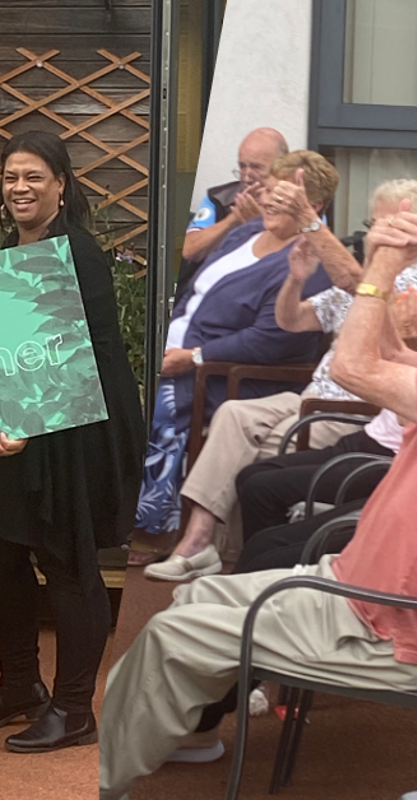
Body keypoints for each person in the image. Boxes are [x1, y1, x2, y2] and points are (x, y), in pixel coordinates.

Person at [98, 207, 417, 800]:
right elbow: (393, 357)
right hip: (354, 587)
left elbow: (354, 367)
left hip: (377, 623)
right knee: (198, 594)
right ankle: (181, 727)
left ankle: (102, 778)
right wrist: (372, 265)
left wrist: (384, 265)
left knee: (175, 633)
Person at [0, 131, 146, 754]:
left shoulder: (79, 254)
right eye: (11, 178)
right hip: (11, 432)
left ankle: (74, 707)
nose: (20, 189)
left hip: (71, 433)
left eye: (34, 177)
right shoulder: (6, 252)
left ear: (62, 186)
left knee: (67, 561)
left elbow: (74, 354)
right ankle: (19, 687)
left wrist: (29, 433)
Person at [144, 179, 417, 580]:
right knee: (234, 417)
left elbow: (370, 357)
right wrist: (296, 278)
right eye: (371, 223)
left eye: (386, 226)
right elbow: (291, 321)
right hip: (314, 394)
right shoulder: (375, 275)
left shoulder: (403, 283)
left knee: (259, 468)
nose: (373, 234)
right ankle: (203, 544)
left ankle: (232, 557)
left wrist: (320, 228)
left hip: (347, 408)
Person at [133, 151, 337, 551]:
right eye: (271, 192)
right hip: (178, 350)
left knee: (149, 406)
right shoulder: (247, 231)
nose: (271, 201)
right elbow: (192, 289)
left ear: (313, 206)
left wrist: (193, 357)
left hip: (230, 376)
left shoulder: (312, 261)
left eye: (285, 195)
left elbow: (271, 338)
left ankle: (148, 529)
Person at [175, 128, 288, 300]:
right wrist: (232, 220)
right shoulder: (219, 198)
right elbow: (190, 250)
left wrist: (259, 225)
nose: (247, 177)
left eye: (256, 167)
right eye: (242, 166)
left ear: (281, 168)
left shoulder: (300, 205)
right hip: (213, 296)